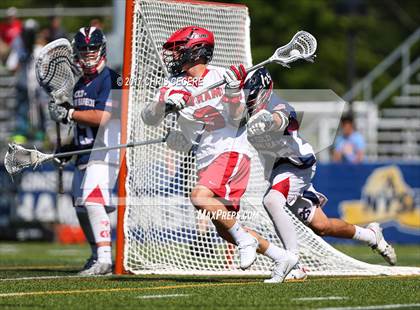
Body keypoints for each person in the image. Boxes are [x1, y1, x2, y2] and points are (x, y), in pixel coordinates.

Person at [141, 26, 298, 283]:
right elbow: (148, 118)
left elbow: (237, 117)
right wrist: (165, 103)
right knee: (226, 229)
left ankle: (246, 240)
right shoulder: (171, 84)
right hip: (206, 157)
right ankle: (282, 257)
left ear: (196, 50)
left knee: (199, 196)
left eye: (179, 49)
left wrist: (234, 90)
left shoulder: (223, 76)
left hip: (230, 151)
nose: (174, 56)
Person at [244, 67, 397, 280]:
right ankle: (371, 236)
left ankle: (292, 262)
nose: (247, 99)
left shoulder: (277, 106)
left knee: (272, 200)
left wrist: (270, 121)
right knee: (322, 226)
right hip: (280, 171)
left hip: (297, 165)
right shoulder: (243, 111)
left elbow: (283, 117)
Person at [49, 26, 121, 275]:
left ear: (102, 49)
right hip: (84, 152)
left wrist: (68, 114)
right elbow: (80, 123)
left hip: (107, 150)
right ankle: (96, 255)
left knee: (93, 199)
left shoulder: (111, 78)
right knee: (81, 205)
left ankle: (105, 259)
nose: (88, 54)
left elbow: (103, 116)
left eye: (93, 48)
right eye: (84, 49)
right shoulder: (79, 84)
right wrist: (67, 146)